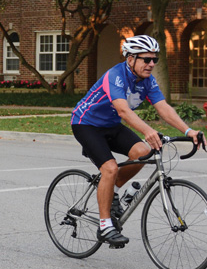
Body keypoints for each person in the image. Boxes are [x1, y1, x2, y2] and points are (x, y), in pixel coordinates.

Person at [71, 35, 200, 247]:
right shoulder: (115, 75)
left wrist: (188, 130)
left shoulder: (147, 81)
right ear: (130, 59)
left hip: (110, 125)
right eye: (146, 59)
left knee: (142, 152)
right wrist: (149, 131)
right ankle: (105, 226)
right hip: (86, 124)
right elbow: (122, 109)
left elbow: (164, 108)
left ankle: (111, 192)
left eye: (154, 60)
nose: (151, 64)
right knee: (110, 169)